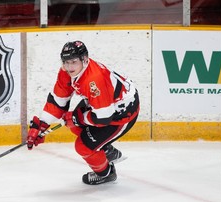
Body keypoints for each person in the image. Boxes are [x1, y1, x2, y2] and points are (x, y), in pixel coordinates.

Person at [27, 40, 140, 185]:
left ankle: (106, 173)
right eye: (65, 62)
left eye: (73, 62)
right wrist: (41, 125)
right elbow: (58, 101)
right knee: (73, 124)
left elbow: (104, 118)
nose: (69, 67)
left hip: (122, 113)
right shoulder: (67, 71)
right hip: (101, 105)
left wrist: (77, 118)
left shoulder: (94, 80)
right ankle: (104, 149)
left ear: (85, 60)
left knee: (83, 146)